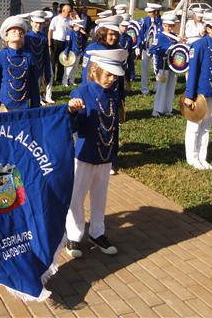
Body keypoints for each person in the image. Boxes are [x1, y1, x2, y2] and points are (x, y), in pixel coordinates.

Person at [65, 48, 128, 258]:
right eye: (108, 74)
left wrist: (113, 154)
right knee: (77, 196)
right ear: (94, 71)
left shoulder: (113, 95)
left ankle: (97, 233)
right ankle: (74, 235)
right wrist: (72, 112)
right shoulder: (81, 93)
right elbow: (72, 128)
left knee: (100, 197)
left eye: (115, 76)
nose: (112, 79)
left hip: (105, 155)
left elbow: (113, 127)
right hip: (85, 154)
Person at [183, 12, 212, 170]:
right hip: (200, 93)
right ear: (208, 29)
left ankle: (202, 157)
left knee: (206, 127)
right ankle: (192, 158)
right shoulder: (199, 46)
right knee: (194, 126)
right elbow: (193, 72)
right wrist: (190, 95)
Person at [0, 16, 40, 113]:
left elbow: (34, 87)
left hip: (25, 110)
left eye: (21, 31)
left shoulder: (29, 57)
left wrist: (36, 111)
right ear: (6, 37)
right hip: (5, 109)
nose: (18, 32)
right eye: (13, 31)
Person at [149, 13, 180, 117]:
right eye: (166, 26)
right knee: (161, 88)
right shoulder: (160, 36)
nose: (168, 28)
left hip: (173, 66)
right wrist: (163, 52)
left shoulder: (175, 37)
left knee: (171, 88)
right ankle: (156, 110)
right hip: (163, 65)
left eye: (170, 26)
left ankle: (167, 109)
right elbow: (152, 49)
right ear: (163, 25)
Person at [25, 10, 52, 104]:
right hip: (30, 66)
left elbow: (45, 54)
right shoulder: (27, 37)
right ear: (31, 23)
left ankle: (39, 97)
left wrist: (47, 68)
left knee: (39, 83)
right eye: (36, 23)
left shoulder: (44, 36)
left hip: (40, 65)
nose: (38, 25)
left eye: (41, 23)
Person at [137, 3, 162, 95]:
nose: (148, 14)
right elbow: (140, 33)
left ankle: (157, 88)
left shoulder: (161, 22)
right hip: (146, 47)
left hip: (157, 49)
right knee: (144, 69)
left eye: (150, 12)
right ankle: (144, 90)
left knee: (157, 68)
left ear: (156, 12)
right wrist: (138, 46)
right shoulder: (145, 20)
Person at [48, 3, 72, 87]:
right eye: (68, 12)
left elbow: (71, 30)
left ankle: (59, 78)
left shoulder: (69, 20)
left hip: (64, 43)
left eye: (70, 12)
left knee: (61, 61)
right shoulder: (56, 19)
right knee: (53, 62)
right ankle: (51, 79)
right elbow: (50, 31)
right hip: (55, 42)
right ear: (63, 11)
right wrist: (49, 42)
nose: (69, 13)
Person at [61, 19, 87, 87]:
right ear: (75, 25)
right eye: (79, 26)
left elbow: (83, 43)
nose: (80, 28)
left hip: (78, 53)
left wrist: (82, 53)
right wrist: (66, 53)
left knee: (75, 68)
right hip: (71, 53)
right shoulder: (70, 33)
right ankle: (64, 81)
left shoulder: (80, 33)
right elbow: (68, 44)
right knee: (69, 68)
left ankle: (72, 80)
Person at [118, 15, 135, 88]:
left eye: (126, 26)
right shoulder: (114, 36)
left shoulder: (129, 38)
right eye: (123, 26)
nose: (125, 28)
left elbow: (130, 56)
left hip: (124, 66)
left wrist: (132, 72)